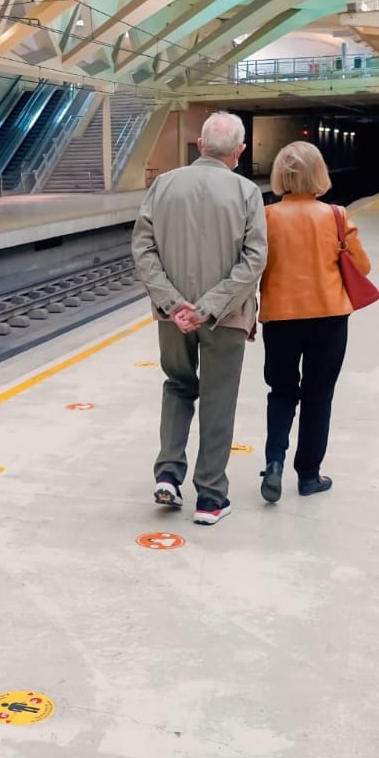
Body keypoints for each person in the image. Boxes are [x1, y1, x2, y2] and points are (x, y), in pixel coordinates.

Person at [132, 111, 267, 526]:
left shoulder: (163, 185)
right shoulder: (247, 192)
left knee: (177, 385)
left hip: (173, 320)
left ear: (200, 146)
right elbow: (254, 259)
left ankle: (169, 476)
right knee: (217, 399)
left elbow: (143, 249)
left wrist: (175, 305)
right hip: (225, 318)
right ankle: (210, 497)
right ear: (240, 151)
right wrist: (208, 306)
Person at [257, 141, 371, 503]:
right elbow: (362, 267)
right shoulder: (336, 215)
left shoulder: (267, 216)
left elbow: (253, 266)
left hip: (280, 318)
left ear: (281, 175)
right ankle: (308, 475)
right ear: (319, 174)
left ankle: (274, 462)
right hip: (329, 318)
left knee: (281, 392)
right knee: (318, 397)